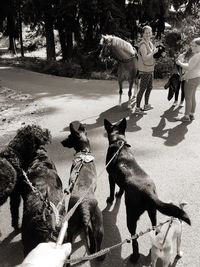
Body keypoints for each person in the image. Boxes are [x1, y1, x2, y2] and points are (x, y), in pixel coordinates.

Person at [135, 25, 158, 114]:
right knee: (142, 89)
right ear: (143, 34)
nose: (148, 34)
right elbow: (145, 58)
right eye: (146, 32)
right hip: (144, 70)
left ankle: (146, 105)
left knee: (149, 87)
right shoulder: (142, 44)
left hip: (150, 69)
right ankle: (137, 108)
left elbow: (153, 55)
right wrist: (153, 52)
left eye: (149, 32)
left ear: (151, 33)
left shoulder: (150, 43)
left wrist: (159, 53)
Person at [176, 37, 200, 122]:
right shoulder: (198, 55)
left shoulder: (196, 56)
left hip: (191, 79)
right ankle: (191, 114)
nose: (191, 47)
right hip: (197, 77)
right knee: (192, 97)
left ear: (198, 46)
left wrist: (180, 63)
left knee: (188, 98)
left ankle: (186, 116)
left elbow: (189, 67)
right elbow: (192, 66)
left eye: (193, 46)